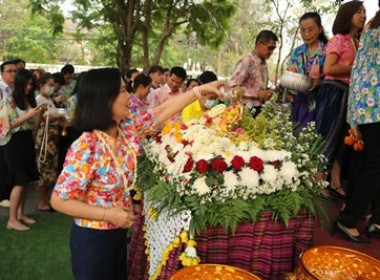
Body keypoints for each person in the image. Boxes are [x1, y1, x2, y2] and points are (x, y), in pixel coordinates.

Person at [50, 67, 225, 279]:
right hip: (93, 238)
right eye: (123, 91)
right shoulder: (86, 147)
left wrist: (200, 90)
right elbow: (59, 201)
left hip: (117, 232)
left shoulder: (125, 127)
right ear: (106, 100)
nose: (129, 97)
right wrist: (108, 214)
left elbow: (161, 112)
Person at [333, 1, 380, 244]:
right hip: (376, 107)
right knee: (374, 166)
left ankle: (373, 218)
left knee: (368, 164)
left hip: (366, 107)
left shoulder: (371, 30)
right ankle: (349, 219)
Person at [314, 1, 366, 198]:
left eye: (364, 12)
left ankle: (335, 181)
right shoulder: (339, 39)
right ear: (347, 16)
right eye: (358, 12)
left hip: (348, 93)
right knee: (327, 135)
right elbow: (328, 69)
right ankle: (318, 181)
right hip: (334, 91)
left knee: (339, 139)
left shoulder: (356, 43)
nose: (363, 15)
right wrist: (356, 69)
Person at [0, 69, 46, 231]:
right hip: (13, 144)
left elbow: (35, 126)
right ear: (19, 84)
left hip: (27, 142)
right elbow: (6, 126)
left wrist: (40, 113)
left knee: (26, 181)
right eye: (26, 84)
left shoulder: (28, 101)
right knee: (19, 182)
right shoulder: (8, 100)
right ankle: (11, 219)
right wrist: (28, 116)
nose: (28, 87)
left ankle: (20, 214)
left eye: (31, 84)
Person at [287, 12, 327, 127]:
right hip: (301, 103)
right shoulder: (297, 52)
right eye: (303, 30)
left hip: (322, 101)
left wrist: (321, 81)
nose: (306, 34)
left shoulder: (327, 50)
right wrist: (290, 72)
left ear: (320, 29)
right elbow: (289, 85)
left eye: (311, 29)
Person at [35, 73, 67, 211]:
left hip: (52, 138)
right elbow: (44, 118)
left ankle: (46, 199)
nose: (53, 88)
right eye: (50, 85)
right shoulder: (39, 99)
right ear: (42, 85)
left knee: (50, 169)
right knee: (43, 168)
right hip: (45, 137)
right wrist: (60, 116)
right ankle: (42, 201)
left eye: (53, 85)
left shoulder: (49, 99)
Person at [229, 30, 278, 115]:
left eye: (273, 49)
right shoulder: (246, 63)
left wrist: (267, 92)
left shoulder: (264, 64)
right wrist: (257, 93)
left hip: (259, 110)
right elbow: (232, 88)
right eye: (270, 48)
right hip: (243, 110)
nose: (271, 52)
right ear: (259, 44)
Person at [0, 60, 17, 208]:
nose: (13, 74)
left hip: (14, 131)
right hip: (2, 131)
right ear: (2, 73)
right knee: (3, 164)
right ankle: (3, 195)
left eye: (15, 71)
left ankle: (9, 192)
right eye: (9, 71)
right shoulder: (1, 89)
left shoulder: (16, 89)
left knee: (9, 164)